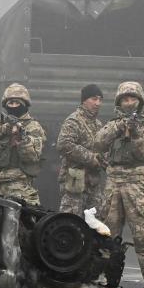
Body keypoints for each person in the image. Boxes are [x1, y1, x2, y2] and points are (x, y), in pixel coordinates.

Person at [93, 81, 144, 288]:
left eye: (132, 98)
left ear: (140, 101)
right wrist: (117, 128)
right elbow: (98, 143)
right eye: (125, 99)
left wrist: (135, 134)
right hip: (113, 181)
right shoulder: (113, 123)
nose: (129, 103)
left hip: (138, 181)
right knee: (107, 234)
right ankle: (105, 280)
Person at [0, 83, 46, 205]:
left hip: (19, 188)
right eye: (10, 103)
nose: (13, 106)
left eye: (17, 103)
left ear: (24, 105)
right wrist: (2, 130)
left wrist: (21, 139)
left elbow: (33, 156)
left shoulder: (33, 127)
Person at [56, 84, 106, 215]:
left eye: (100, 100)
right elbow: (64, 144)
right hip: (75, 180)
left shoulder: (98, 124)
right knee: (71, 221)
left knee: (96, 223)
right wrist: (90, 158)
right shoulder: (74, 121)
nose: (98, 103)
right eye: (94, 99)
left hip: (93, 182)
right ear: (84, 100)